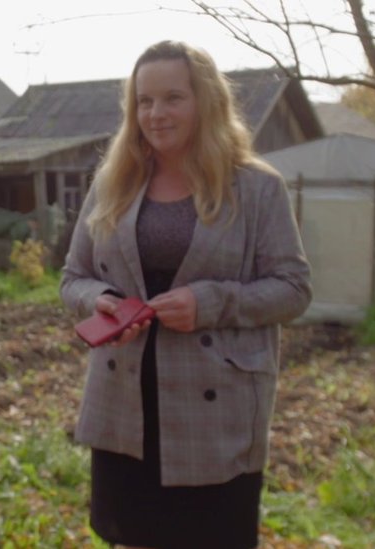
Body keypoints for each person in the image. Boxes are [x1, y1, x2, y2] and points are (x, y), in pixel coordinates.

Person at [60, 40, 312, 549]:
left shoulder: (258, 188)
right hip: (125, 408)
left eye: (173, 97)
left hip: (214, 414)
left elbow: (293, 289)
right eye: (144, 101)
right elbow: (73, 277)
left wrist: (211, 302)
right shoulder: (113, 182)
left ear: (206, 101)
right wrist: (101, 299)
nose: (155, 113)